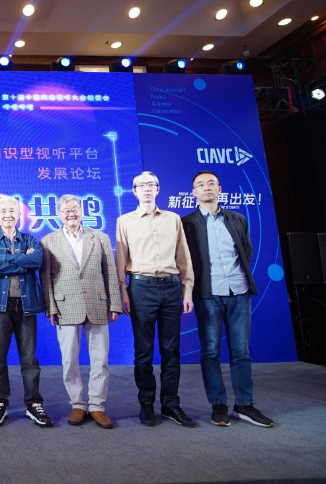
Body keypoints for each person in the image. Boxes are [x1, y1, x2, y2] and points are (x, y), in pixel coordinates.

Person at [182, 171, 275, 427]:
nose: (206, 188)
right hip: (208, 295)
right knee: (211, 351)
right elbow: (184, 261)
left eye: (211, 183)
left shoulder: (238, 219)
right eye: (200, 185)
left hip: (239, 292)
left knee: (241, 352)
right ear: (194, 192)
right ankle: (218, 404)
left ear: (219, 189)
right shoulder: (186, 223)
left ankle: (244, 404)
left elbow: (246, 251)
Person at [115, 171, 195, 427]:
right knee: (144, 351)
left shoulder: (173, 219)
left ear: (158, 189)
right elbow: (120, 260)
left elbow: (184, 256)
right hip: (141, 288)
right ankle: (146, 403)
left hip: (172, 287)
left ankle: (171, 404)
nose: (146, 188)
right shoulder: (124, 221)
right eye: (141, 185)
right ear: (134, 191)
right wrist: (123, 291)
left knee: (171, 350)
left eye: (151, 184)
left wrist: (187, 290)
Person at [40, 195, 121, 428]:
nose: (71, 214)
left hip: (97, 304)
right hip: (65, 307)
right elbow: (45, 278)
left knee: (100, 359)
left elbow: (110, 272)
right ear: (58, 215)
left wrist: (114, 303)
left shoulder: (100, 237)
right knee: (69, 360)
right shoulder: (48, 241)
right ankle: (77, 404)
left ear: (82, 211)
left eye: (74, 209)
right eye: (66, 210)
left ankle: (97, 406)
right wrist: (50, 308)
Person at [0, 196, 53, 427]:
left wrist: (6, 259)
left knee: (29, 358)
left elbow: (37, 261)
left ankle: (33, 403)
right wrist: (23, 260)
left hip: (26, 305)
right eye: (3, 211)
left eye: (12, 210)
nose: (8, 215)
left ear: (19, 215)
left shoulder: (30, 239)